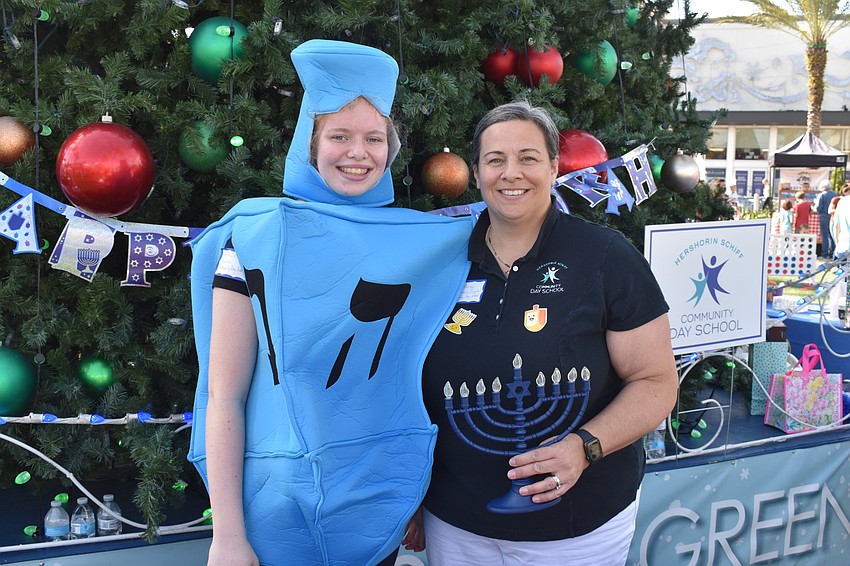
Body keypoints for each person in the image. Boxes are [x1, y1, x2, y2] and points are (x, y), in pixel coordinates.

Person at [187, 40, 473, 566]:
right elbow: (224, 395)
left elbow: (414, 377)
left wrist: (412, 493)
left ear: (390, 148)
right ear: (310, 142)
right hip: (275, 511)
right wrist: (226, 537)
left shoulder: (415, 243)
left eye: (373, 138)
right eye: (339, 136)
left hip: (377, 503)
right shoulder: (257, 235)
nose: (357, 153)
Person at [412, 101, 678, 565]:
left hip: (575, 528)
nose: (510, 173)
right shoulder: (440, 261)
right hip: (454, 521)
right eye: (495, 159)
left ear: (554, 167)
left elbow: (656, 381)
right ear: (477, 172)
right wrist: (410, 493)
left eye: (528, 158)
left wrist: (585, 446)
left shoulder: (605, 256)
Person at [813, 180, 837, 257]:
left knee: (824, 235)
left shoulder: (822, 195)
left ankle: (824, 253)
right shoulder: (835, 194)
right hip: (833, 216)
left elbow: (818, 208)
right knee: (832, 235)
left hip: (823, 216)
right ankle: (833, 252)